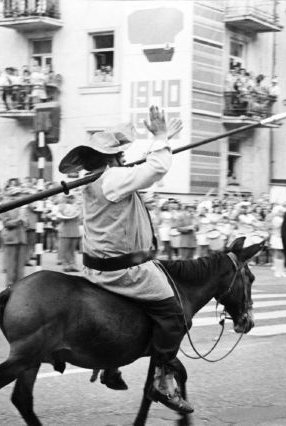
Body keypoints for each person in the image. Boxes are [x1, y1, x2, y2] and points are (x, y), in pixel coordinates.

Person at [58, 105, 192, 414]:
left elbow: (145, 168)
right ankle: (161, 381)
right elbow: (156, 168)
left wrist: (162, 140)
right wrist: (159, 137)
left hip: (98, 266)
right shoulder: (113, 178)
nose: (124, 157)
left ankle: (112, 362)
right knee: (175, 314)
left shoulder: (100, 178)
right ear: (111, 159)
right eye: (120, 154)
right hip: (124, 271)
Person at [0, 187, 28, 287]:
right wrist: (17, 220)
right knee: (11, 264)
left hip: (21, 238)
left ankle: (19, 284)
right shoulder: (7, 207)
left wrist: (24, 221)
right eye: (16, 195)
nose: (18, 197)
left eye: (19, 195)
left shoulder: (23, 209)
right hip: (11, 238)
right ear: (11, 196)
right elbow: (6, 223)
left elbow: (26, 224)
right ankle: (10, 284)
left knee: (20, 265)